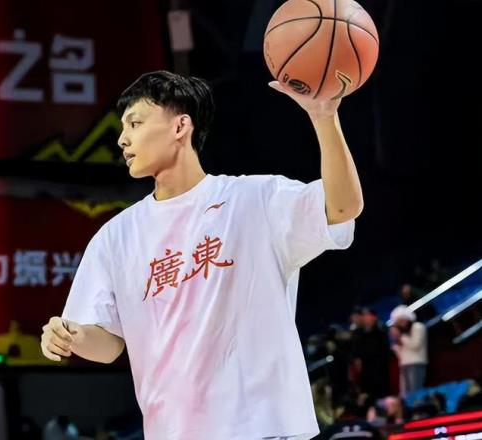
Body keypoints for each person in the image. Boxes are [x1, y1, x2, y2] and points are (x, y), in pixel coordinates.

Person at [40, 71, 363, 440]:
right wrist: (72, 337)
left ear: (180, 126)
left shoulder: (255, 199)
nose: (122, 138)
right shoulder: (115, 237)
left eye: (135, 123)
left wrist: (324, 117)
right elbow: (109, 345)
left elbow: (343, 207)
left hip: (266, 429)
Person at [389, 305, 428, 396]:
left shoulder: (418, 327)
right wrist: (395, 341)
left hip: (416, 363)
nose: (401, 324)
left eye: (402, 320)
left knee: (415, 392)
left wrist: (400, 337)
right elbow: (400, 353)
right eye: (398, 322)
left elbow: (415, 345)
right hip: (404, 364)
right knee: (406, 394)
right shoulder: (402, 333)